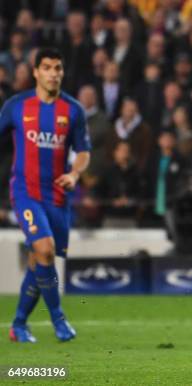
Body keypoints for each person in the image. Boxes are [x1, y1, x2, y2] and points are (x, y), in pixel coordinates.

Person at [0, 48, 91, 343]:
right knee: (45, 249)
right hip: (25, 192)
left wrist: (75, 174)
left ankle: (18, 324)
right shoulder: (16, 106)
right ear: (36, 71)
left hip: (57, 197)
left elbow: (84, 152)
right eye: (48, 67)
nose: (53, 73)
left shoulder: (73, 110)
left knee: (40, 259)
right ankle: (59, 320)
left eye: (58, 67)